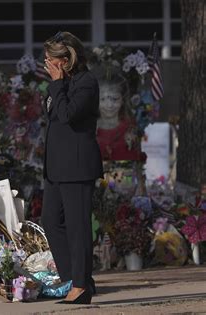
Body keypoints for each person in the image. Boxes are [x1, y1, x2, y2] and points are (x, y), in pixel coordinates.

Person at [41, 31, 103, 304]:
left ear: (66, 60)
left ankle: (80, 286)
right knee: (51, 221)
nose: (46, 62)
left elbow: (67, 115)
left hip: (77, 167)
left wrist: (57, 84)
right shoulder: (59, 85)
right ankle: (77, 278)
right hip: (56, 167)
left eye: (50, 58)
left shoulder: (85, 83)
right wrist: (56, 85)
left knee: (78, 227)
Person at [96, 78, 144, 161]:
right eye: (103, 99)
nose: (109, 105)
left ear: (122, 100)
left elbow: (135, 162)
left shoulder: (130, 127)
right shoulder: (88, 128)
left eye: (114, 99)